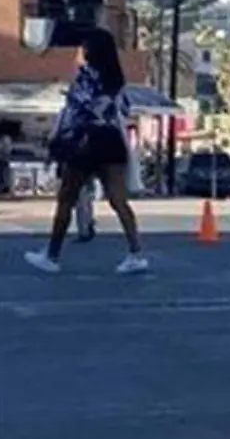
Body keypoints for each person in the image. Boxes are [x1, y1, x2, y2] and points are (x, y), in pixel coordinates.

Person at [24, 27, 148, 274]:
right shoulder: (116, 81)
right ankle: (135, 253)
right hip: (111, 142)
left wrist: (59, 141)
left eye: (82, 47)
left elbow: (75, 112)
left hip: (85, 142)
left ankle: (52, 255)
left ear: (89, 51)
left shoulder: (85, 77)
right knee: (118, 200)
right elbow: (123, 110)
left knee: (66, 198)